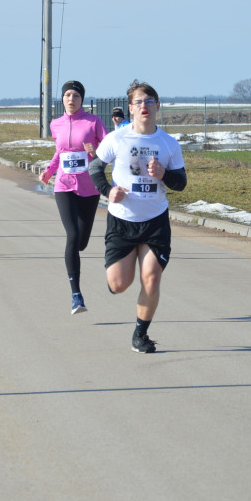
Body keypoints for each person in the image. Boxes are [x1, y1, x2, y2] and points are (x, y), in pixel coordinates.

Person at [89, 80, 187, 353]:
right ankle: (116, 278)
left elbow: (181, 182)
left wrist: (163, 174)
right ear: (131, 108)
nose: (145, 106)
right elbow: (94, 169)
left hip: (155, 221)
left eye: (150, 101)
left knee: (151, 279)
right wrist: (108, 191)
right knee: (120, 284)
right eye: (139, 102)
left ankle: (140, 335)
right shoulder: (117, 138)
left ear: (157, 106)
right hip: (122, 220)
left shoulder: (168, 143)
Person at [39, 80, 107, 314]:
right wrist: (49, 170)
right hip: (64, 185)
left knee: (82, 242)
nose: (71, 99)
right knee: (73, 235)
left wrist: (95, 153)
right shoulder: (56, 124)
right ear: (62, 99)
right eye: (67, 95)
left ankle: (76, 259)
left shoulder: (94, 122)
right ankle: (76, 296)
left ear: (82, 100)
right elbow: (60, 152)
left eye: (76, 95)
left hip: (90, 187)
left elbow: (109, 151)